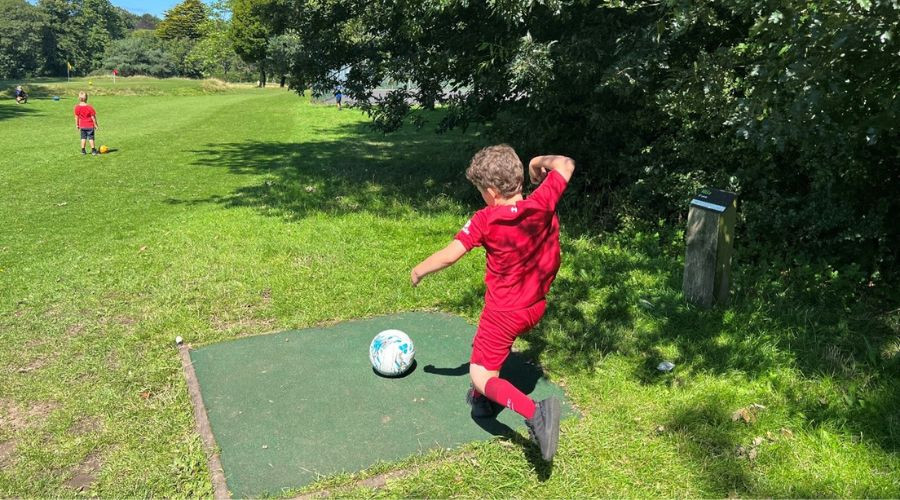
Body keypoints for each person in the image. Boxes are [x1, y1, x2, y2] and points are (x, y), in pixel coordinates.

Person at [410, 145, 575, 461]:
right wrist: (536, 163)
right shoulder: (542, 201)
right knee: (488, 353)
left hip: (504, 313)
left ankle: (536, 412)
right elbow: (566, 164)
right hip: (536, 305)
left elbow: (450, 255)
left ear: (489, 192)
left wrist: (418, 270)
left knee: (480, 376)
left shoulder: (486, 219)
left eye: (480, 191)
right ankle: (485, 399)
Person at [74, 91, 99, 156]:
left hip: (82, 126)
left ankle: (83, 150)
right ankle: (93, 150)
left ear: (79, 98)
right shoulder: (89, 107)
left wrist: (77, 125)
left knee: (83, 138)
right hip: (90, 126)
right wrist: (96, 125)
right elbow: (93, 117)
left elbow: (76, 117)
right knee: (91, 138)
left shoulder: (77, 107)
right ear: (87, 98)